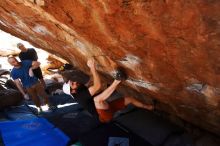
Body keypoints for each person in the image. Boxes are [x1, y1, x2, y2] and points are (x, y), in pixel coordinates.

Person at [62, 58, 154, 123]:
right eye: (72, 84)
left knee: (129, 99)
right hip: (103, 116)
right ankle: (118, 80)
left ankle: (148, 107)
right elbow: (97, 86)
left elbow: (92, 83)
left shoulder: (78, 89)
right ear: (73, 91)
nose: (74, 82)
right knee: (97, 99)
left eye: (72, 82)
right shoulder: (80, 96)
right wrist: (92, 67)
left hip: (106, 108)